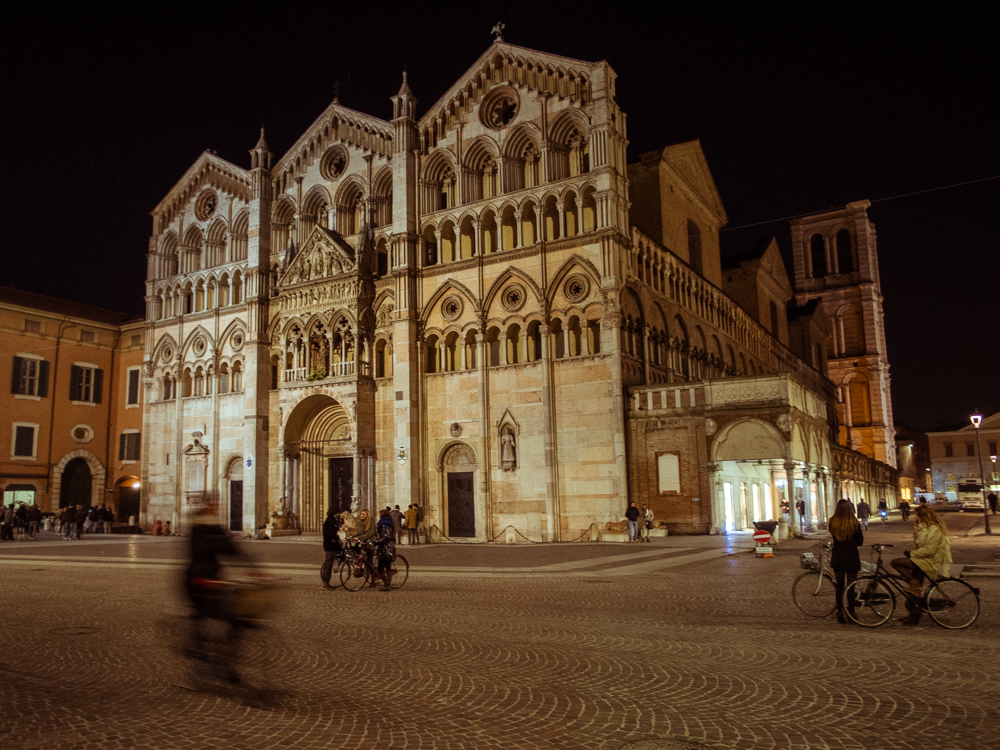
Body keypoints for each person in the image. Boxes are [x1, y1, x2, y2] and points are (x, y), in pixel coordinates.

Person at [183, 502, 242, 681]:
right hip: (196, 582)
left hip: (215, 581)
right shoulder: (198, 531)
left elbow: (234, 551)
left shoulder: (216, 529)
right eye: (212, 510)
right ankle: (201, 658)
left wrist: (256, 571)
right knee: (204, 615)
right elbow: (199, 553)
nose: (216, 512)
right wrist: (205, 579)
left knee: (236, 619)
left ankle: (224, 660)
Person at [890, 504, 952, 626]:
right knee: (915, 594)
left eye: (917, 515)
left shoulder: (935, 530)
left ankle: (914, 583)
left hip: (929, 561)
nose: (915, 517)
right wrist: (916, 530)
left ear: (922, 516)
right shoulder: (924, 529)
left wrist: (912, 553)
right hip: (922, 560)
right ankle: (913, 617)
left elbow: (929, 550)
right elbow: (919, 544)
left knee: (895, 562)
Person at [828, 499, 864, 624]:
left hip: (838, 556)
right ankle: (851, 612)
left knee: (840, 586)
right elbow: (860, 542)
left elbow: (833, 537)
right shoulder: (854, 523)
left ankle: (840, 612)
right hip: (851, 556)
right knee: (851, 585)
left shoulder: (832, 522)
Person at [319, 509, 343, 590]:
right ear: (335, 513)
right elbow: (328, 533)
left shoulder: (332, 520)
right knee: (328, 564)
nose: (339, 514)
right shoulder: (329, 521)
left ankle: (326, 582)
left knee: (329, 563)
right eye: (338, 513)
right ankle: (325, 583)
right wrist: (336, 537)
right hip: (330, 545)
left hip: (332, 545)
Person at [374, 509, 396, 589]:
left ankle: (387, 585)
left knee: (380, 568)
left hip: (384, 548)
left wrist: (376, 542)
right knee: (388, 566)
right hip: (390, 547)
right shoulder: (390, 523)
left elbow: (385, 537)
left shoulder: (383, 524)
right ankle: (388, 583)